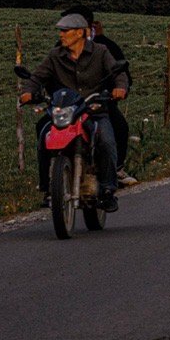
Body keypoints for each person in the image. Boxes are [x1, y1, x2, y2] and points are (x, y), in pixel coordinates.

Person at [21, 11, 129, 211]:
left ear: (79, 33)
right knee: (44, 135)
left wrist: (120, 88)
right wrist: (28, 91)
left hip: (93, 109)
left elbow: (118, 72)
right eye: (61, 31)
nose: (61, 35)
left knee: (105, 138)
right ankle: (47, 188)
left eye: (65, 31)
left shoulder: (101, 51)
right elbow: (36, 77)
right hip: (65, 110)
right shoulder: (55, 56)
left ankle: (107, 189)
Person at [79, 9, 139, 188]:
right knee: (44, 127)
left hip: (98, 100)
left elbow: (121, 73)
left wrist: (119, 89)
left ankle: (116, 169)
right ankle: (52, 178)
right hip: (70, 103)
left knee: (118, 127)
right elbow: (46, 74)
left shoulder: (104, 47)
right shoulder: (60, 49)